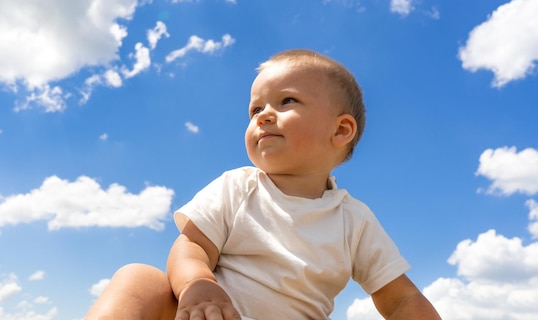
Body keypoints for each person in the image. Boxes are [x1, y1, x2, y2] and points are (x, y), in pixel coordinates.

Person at [86, 49, 441, 320]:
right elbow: (191, 246)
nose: (264, 115)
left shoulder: (355, 221)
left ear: (341, 130)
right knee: (139, 279)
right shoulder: (238, 188)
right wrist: (200, 287)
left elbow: (402, 299)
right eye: (255, 110)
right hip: (211, 314)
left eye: (287, 101)